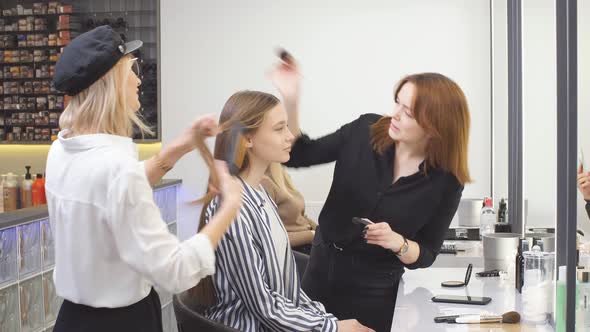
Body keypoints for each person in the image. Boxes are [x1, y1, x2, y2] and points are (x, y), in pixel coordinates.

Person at [46, 25, 243, 332]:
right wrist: (230, 206)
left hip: (73, 320)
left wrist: (175, 150)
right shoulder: (116, 169)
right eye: (131, 71)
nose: (139, 80)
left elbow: (110, 196)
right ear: (110, 84)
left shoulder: (62, 149)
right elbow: (176, 271)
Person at [269, 56, 471, 331]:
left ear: (435, 128)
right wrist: (291, 99)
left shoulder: (448, 181)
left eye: (408, 112)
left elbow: (426, 253)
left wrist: (396, 241)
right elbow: (297, 155)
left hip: (374, 290)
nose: (395, 114)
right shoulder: (364, 131)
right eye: (397, 102)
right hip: (320, 270)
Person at [193, 90, 374, 332]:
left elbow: (287, 292)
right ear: (248, 138)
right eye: (279, 129)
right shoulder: (231, 208)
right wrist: (333, 327)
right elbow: (265, 308)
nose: (290, 136)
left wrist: (325, 319)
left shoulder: (260, 193)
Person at [261, 163, 317, 254]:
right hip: (297, 251)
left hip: (310, 242)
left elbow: (300, 216)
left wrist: (320, 231)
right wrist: (313, 235)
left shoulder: (280, 174)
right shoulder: (263, 183)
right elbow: (270, 240)